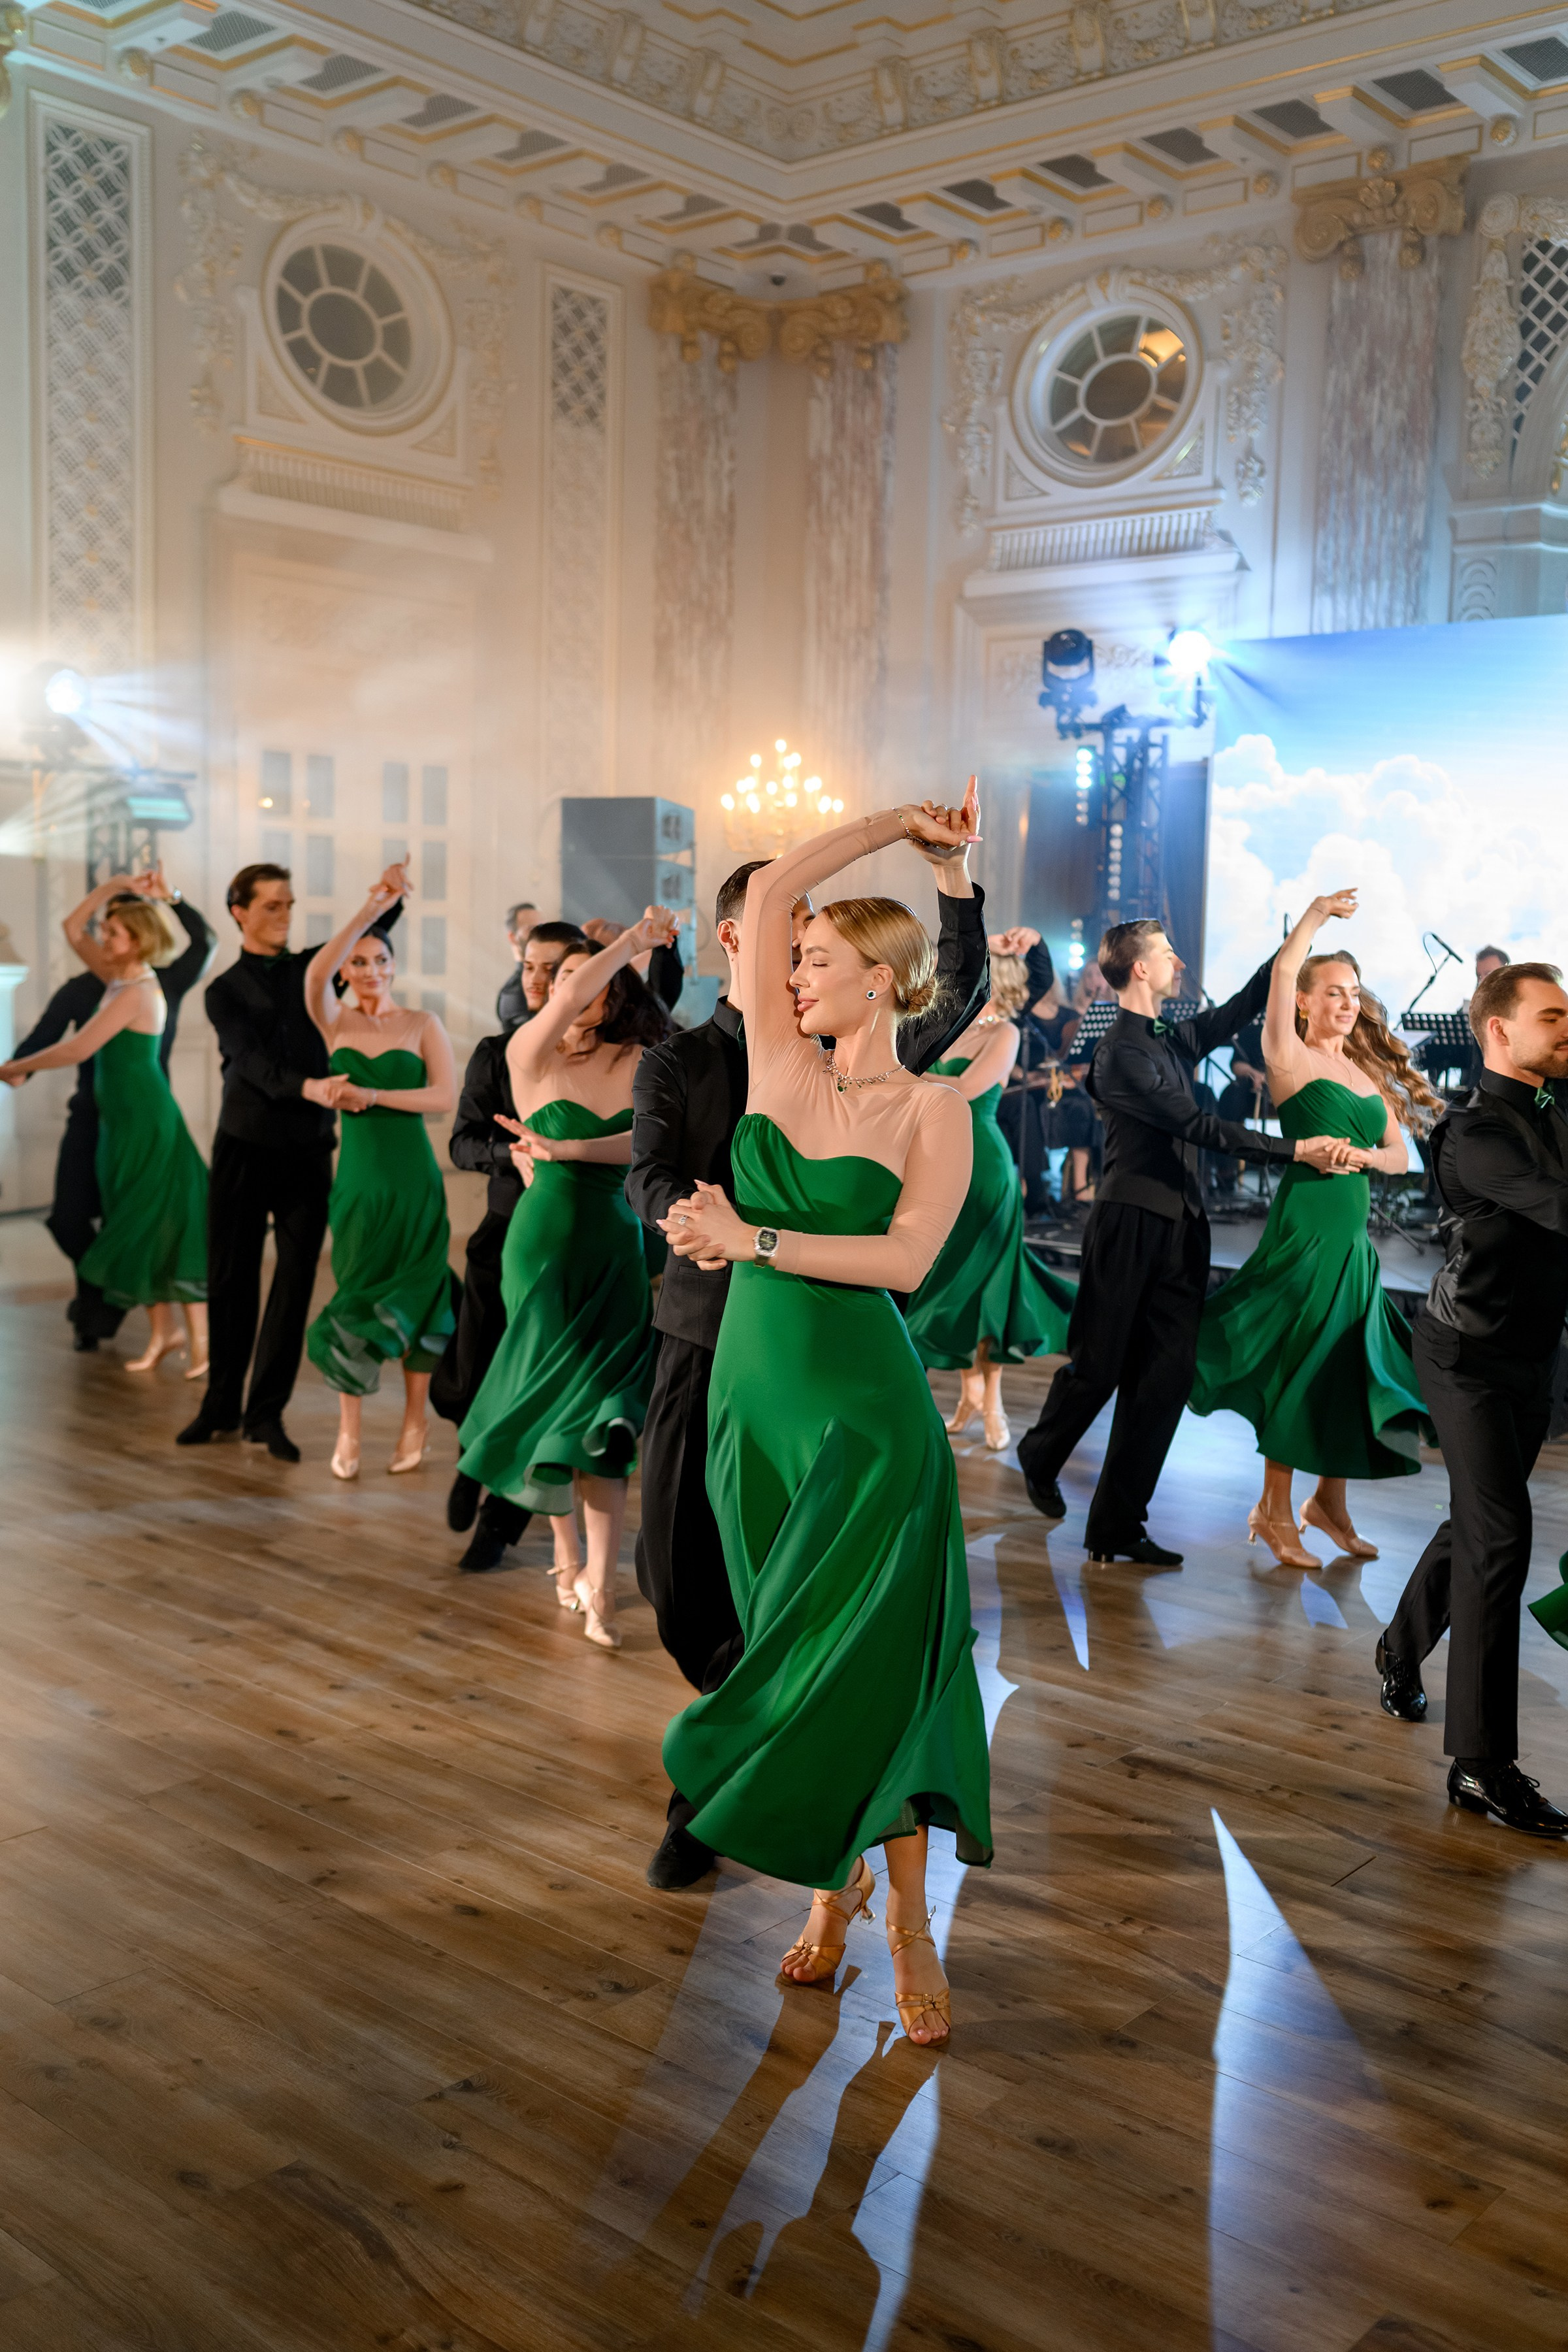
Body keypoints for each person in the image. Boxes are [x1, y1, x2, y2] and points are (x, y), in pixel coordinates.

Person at [657, 798, 992, 2049]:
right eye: (789, 960)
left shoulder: (933, 1111)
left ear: (882, 982)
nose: (789, 972)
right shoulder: (773, 1067)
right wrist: (894, 823)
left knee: (871, 1660)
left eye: (816, 960)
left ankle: (899, 1920)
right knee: (796, 1657)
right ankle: (833, 1882)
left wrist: (751, 1238)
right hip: (758, 1411)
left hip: (866, 1422)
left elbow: (907, 1264)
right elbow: (764, 892)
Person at [1015, 919, 1358, 1565]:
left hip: (1182, 1227)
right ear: (1140, 968)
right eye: (1167, 953)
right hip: (1128, 1222)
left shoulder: (1168, 1036)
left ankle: (1117, 1526)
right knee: (1100, 1365)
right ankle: (1040, 1453)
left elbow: (1242, 1006)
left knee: (1164, 1380)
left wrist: (1305, 928)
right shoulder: (1119, 1052)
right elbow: (1198, 1127)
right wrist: (1296, 1150)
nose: (1177, 960)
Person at [1188, 894, 1441, 1566]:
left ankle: (1327, 1504)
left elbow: (1399, 1155)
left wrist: (1359, 1156)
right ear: (1303, 1002)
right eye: (1333, 992)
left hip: (1351, 1248)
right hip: (1305, 1233)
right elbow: (1278, 974)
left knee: (1349, 1367)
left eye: (1354, 993)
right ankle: (1274, 1510)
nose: (1348, 1003)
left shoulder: (1363, 1073)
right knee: (1300, 1365)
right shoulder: (1288, 1056)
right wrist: (1314, 917)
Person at [1376, 962, 1568, 1837]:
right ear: (1499, 1031)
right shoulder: (1479, 1134)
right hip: (1466, 1358)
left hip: (1530, 1357)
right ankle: (1481, 1767)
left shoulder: (1550, 1106)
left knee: (1477, 1523)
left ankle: (1398, 1645)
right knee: (1502, 1535)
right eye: (1553, 1019)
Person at [455, 912, 675, 1633]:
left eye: (599, 986)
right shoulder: (529, 1054)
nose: (581, 996)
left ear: (618, 994)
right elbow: (563, 991)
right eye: (569, 983)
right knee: (559, 1402)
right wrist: (628, 943)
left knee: (604, 1420)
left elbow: (647, 1148)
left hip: (614, 1248)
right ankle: (565, 1551)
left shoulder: (644, 1059)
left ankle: (601, 1583)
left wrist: (571, 1152)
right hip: (542, 1247)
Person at [179, 862, 399, 1462]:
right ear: (239, 911)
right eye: (272, 905)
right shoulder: (222, 990)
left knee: (296, 1280)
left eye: (289, 905)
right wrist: (312, 1087)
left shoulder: (314, 969)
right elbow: (245, 1060)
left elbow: (367, 941)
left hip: (307, 1150)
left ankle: (265, 1414)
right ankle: (219, 1404)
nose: (283, 915)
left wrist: (386, 897)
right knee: (232, 1276)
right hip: (244, 1146)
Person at [2, 895, 208, 1374]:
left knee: (159, 1222)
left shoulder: (138, 990)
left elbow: (78, 1048)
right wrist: (115, 884)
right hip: (118, 1122)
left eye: (113, 932)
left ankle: (200, 1344)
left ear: (136, 941)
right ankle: (164, 1333)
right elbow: (72, 927)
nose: (103, 938)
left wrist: (15, 1067)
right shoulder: (118, 978)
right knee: (134, 1222)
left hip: (145, 1119)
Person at [302, 868, 457, 1479]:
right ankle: (349, 1429)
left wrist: (371, 1096)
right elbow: (315, 973)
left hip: (414, 1177)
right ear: (348, 970)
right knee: (357, 1290)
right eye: (359, 961)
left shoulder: (421, 1024)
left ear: (393, 967)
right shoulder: (335, 1021)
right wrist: (370, 909)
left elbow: (444, 1098)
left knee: (420, 1290)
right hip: (359, 1182)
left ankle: (415, 1421)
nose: (369, 970)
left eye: (379, 960)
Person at [907, 950, 1075, 1452]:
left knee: (992, 1284)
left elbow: (964, 1088)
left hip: (985, 1166)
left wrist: (898, 1075)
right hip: (937, 1160)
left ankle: (994, 1399)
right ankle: (968, 1394)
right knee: (951, 1276)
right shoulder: (941, 1026)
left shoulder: (1007, 1033)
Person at [494, 901, 539, 1032]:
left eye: (542, 927)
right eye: (531, 929)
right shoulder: (513, 992)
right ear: (512, 937)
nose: (540, 935)